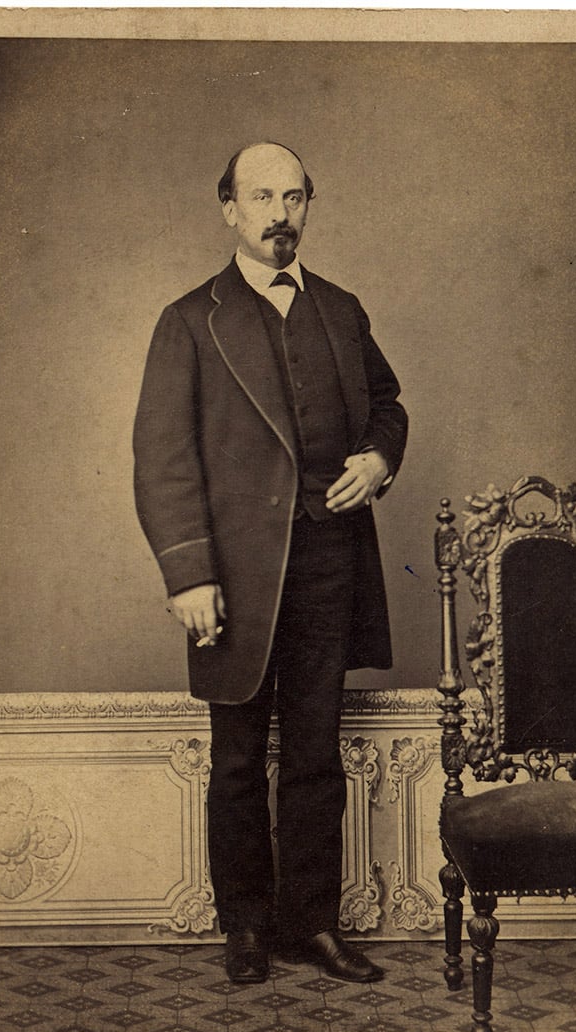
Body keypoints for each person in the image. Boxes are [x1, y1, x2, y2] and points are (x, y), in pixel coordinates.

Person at [133, 142, 407, 986]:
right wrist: (189, 574)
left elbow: (388, 404)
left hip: (330, 561)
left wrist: (378, 459)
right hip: (234, 576)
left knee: (317, 754)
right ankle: (247, 926)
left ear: (307, 206)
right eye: (261, 197)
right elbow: (162, 458)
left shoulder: (341, 308)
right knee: (239, 760)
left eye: (293, 197)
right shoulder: (190, 320)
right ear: (229, 209)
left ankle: (310, 926)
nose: (279, 214)